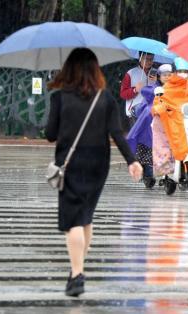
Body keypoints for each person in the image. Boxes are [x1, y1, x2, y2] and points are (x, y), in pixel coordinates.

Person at [45, 48, 143, 297]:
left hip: (71, 163)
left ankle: (77, 274)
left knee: (73, 220)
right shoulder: (106, 98)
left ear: (69, 69)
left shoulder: (60, 97)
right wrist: (132, 161)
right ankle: (78, 267)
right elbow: (117, 133)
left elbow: (50, 134)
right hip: (99, 164)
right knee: (85, 216)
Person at [126, 63, 173, 188]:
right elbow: (148, 98)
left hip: (171, 124)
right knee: (148, 117)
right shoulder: (152, 88)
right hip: (153, 124)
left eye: (170, 75)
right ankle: (148, 174)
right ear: (159, 76)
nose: (167, 77)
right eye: (164, 75)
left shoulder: (176, 89)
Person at [119, 52, 157, 128]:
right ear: (140, 58)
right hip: (134, 113)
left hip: (152, 111)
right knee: (137, 138)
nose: (149, 62)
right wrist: (135, 90)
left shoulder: (156, 73)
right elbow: (123, 94)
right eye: (146, 59)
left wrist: (157, 81)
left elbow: (162, 91)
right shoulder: (131, 73)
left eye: (151, 59)